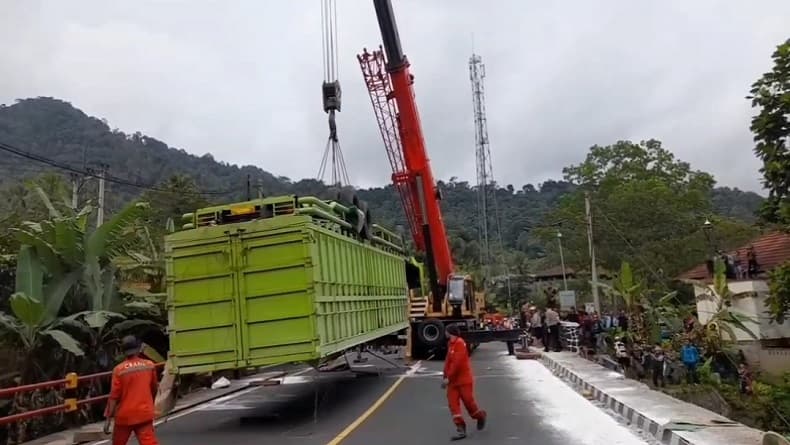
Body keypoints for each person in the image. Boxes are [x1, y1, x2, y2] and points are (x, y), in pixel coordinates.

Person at [103, 335, 160, 445]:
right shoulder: (149, 365)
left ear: (123, 351)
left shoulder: (119, 370)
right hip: (144, 413)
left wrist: (108, 420)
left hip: (124, 416)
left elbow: (114, 396)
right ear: (138, 348)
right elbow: (154, 389)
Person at [442, 324, 486, 440]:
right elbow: (448, 360)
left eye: (446, 331)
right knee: (453, 404)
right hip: (452, 382)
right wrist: (445, 375)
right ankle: (460, 428)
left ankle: (480, 416)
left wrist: (448, 377)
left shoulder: (460, 344)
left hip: (463, 380)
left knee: (468, 403)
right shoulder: (450, 344)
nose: (444, 333)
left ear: (450, 332)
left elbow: (457, 364)